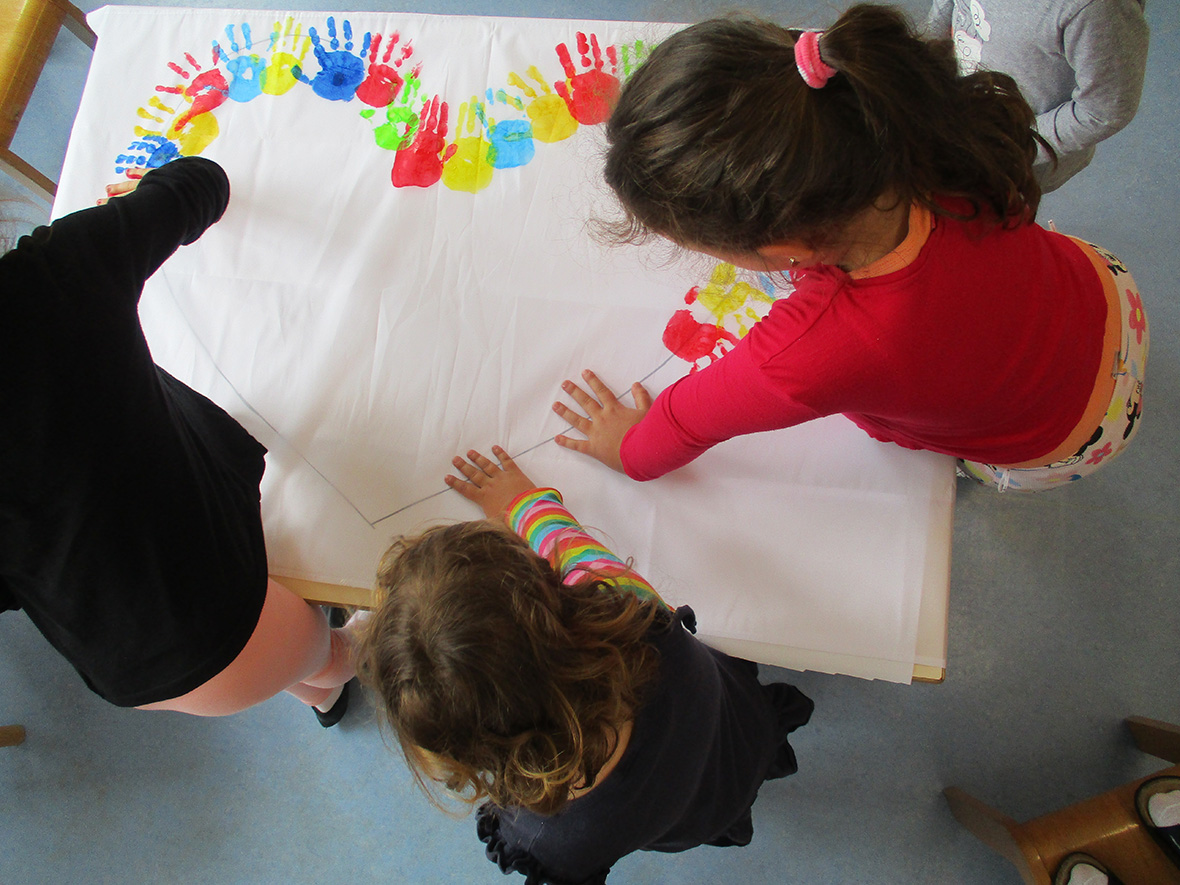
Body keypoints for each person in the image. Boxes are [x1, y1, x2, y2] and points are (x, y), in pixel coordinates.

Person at [551, 4, 1148, 493]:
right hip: (1106, 293)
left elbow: (678, 426)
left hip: (1072, 437)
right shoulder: (913, 123)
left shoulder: (814, 348)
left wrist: (625, 448)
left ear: (786, 247)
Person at [0, 157, 359, 724]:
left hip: (119, 656)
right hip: (202, 628)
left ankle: (318, 694)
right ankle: (326, 675)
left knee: (276, 659)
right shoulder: (42, 277)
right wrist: (134, 206)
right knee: (332, 652)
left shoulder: (46, 276)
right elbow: (200, 182)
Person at [355, 446, 813, 883]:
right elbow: (565, 541)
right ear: (550, 583)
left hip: (685, 819)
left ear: (458, 752)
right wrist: (520, 502)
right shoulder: (632, 611)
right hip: (739, 731)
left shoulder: (545, 835)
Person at [925, 0, 1149, 192]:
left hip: (1019, 156)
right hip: (956, 121)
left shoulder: (1096, 8)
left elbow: (1103, 111)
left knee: (1004, 215)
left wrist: (1002, 148)